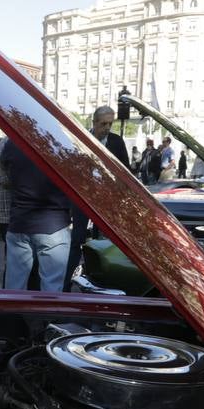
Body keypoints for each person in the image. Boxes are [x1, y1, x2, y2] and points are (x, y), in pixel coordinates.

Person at [1, 136, 73, 292]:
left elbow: (4, 170)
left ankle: (11, 315)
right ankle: (48, 316)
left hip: (20, 221)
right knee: (52, 287)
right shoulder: (62, 143)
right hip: (54, 223)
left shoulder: (13, 142)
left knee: (14, 286)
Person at [69, 106, 132, 282]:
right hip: (82, 197)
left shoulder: (117, 142)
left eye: (110, 124)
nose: (107, 128)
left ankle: (100, 279)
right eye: (103, 123)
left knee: (103, 241)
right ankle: (68, 281)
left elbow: (125, 171)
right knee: (77, 239)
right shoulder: (80, 139)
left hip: (107, 200)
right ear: (94, 122)